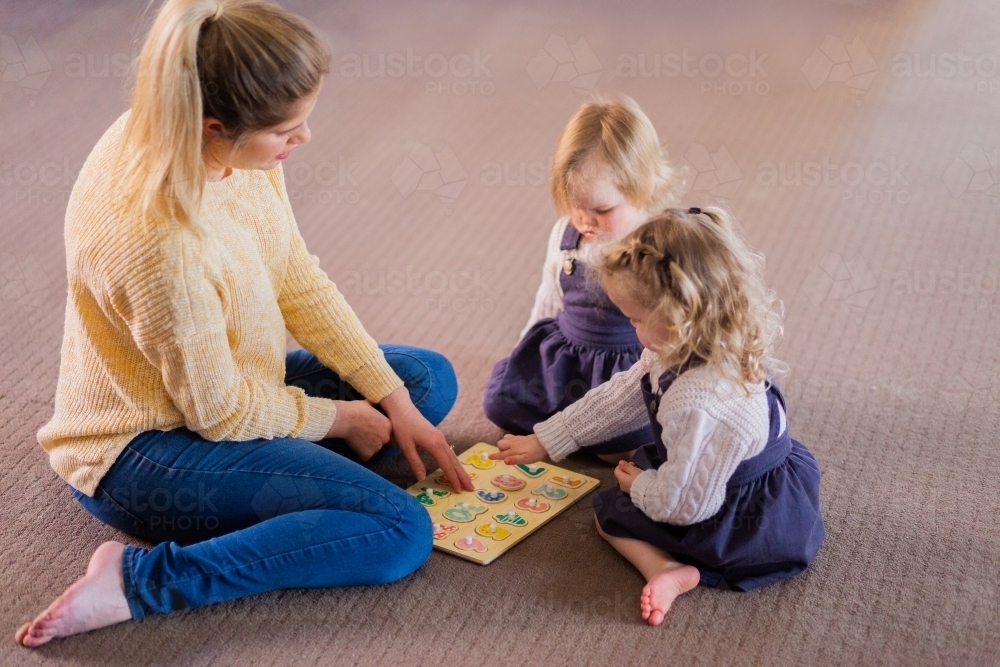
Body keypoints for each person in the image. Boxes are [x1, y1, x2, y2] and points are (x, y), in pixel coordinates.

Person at [17, 0, 472, 648]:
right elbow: (220, 412)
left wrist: (390, 400)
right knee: (397, 531)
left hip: (219, 385)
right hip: (145, 448)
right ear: (214, 126)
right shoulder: (160, 242)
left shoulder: (228, 153)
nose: (304, 139)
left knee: (424, 383)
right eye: (288, 129)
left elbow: (295, 276)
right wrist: (340, 418)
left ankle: (298, 487)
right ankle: (138, 579)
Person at [491, 207, 825, 625]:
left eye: (634, 318)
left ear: (678, 315)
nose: (630, 329)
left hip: (740, 516)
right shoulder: (706, 338)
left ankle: (665, 569)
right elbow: (624, 394)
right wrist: (550, 438)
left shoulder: (699, 401)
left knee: (608, 515)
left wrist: (641, 488)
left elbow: (683, 506)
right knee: (647, 462)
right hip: (735, 473)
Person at [482, 97, 684, 463]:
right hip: (569, 356)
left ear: (644, 187)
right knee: (500, 402)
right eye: (576, 207)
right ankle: (575, 432)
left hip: (628, 366)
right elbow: (549, 297)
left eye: (602, 210)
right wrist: (522, 350)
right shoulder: (567, 234)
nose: (585, 221)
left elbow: (682, 321)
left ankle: (587, 436)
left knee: (632, 436)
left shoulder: (661, 239)